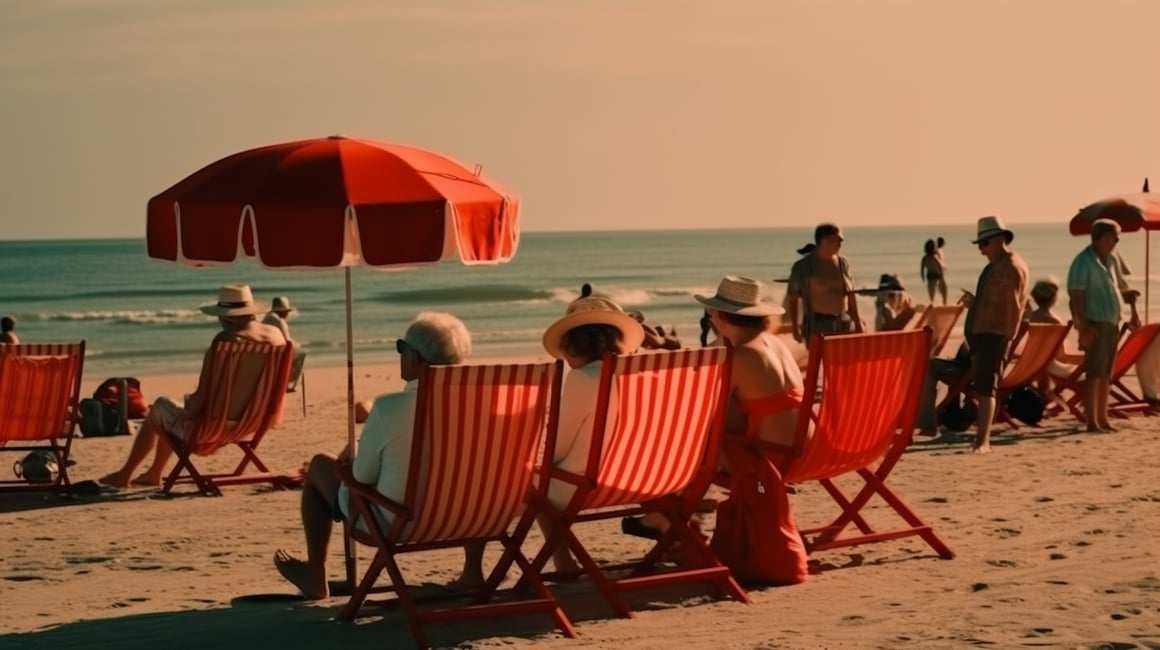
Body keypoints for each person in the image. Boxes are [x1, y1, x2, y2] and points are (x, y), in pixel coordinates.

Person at [274, 312, 472, 599]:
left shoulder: (390, 408)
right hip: (472, 518)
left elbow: (361, 477)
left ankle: (315, 575)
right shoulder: (483, 408)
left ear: (415, 358)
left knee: (319, 465)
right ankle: (474, 571)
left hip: (398, 523)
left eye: (401, 347)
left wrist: (353, 453)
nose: (400, 355)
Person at [100, 285, 286, 488]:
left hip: (211, 429)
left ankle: (124, 475)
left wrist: (189, 405)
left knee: (160, 408)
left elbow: (197, 406)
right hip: (253, 424)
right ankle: (154, 473)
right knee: (169, 411)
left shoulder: (225, 342)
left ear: (225, 317)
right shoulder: (276, 336)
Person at [917, 217, 1028, 453]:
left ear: (999, 239)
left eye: (984, 243)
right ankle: (928, 424)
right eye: (979, 244)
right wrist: (975, 304)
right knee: (930, 367)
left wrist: (991, 332)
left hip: (992, 337)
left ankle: (982, 441)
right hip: (984, 339)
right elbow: (996, 304)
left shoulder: (1009, 268)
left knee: (987, 389)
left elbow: (1008, 309)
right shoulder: (1000, 265)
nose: (981, 249)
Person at [1067, 219, 1140, 433]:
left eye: (1116, 238)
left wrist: (1133, 309)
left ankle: (1103, 417)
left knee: (1106, 373)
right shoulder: (1083, 261)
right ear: (1098, 238)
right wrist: (1084, 326)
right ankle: (1092, 421)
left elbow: (1122, 287)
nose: (1115, 242)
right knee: (1094, 372)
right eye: (1111, 238)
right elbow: (1076, 296)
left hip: (1111, 322)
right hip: (1095, 322)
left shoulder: (1112, 259)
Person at [786, 223, 864, 345]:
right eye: (837, 240)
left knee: (841, 362)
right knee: (821, 361)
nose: (840, 244)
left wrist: (858, 323)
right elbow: (793, 298)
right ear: (825, 240)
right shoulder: (803, 267)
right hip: (817, 324)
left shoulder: (843, 264)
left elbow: (851, 295)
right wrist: (795, 328)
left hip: (843, 322)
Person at [921, 238, 949, 305]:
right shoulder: (935, 256)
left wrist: (923, 278)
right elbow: (941, 266)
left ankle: (932, 306)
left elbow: (922, 270)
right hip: (938, 276)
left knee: (932, 296)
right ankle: (944, 305)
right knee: (944, 293)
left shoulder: (924, 258)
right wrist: (945, 267)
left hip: (930, 278)